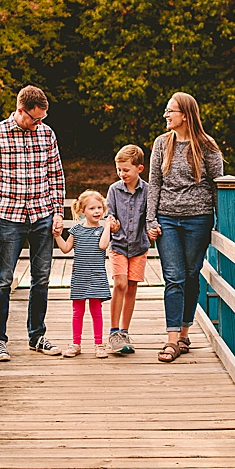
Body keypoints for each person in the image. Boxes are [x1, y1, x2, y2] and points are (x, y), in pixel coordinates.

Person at [0, 85, 66, 362]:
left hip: (42, 214)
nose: (39, 123)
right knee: (3, 280)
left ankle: (37, 335)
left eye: (42, 119)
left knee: (41, 279)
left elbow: (56, 175)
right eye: (34, 119)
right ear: (20, 110)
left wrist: (58, 212)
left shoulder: (47, 134)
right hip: (9, 216)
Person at [146, 92, 224, 363]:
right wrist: (150, 219)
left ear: (186, 115)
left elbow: (218, 185)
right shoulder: (161, 143)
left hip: (198, 219)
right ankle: (171, 340)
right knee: (174, 277)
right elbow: (154, 183)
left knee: (191, 276)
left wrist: (221, 224)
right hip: (167, 218)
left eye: (171, 111)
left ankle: (184, 333)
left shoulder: (207, 145)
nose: (166, 115)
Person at [54, 190, 113, 358]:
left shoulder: (103, 230)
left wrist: (107, 226)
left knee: (96, 310)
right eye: (92, 208)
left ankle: (98, 344)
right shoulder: (76, 230)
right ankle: (76, 343)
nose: (97, 212)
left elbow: (103, 246)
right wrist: (58, 236)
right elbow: (65, 249)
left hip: (96, 275)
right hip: (80, 275)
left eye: (99, 208)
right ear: (82, 211)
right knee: (77, 311)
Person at [104, 144, 148, 356]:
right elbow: (108, 213)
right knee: (119, 283)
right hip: (119, 245)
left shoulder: (148, 190)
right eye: (119, 169)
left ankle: (124, 331)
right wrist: (110, 222)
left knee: (131, 287)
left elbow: (150, 217)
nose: (122, 174)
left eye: (126, 170)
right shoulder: (114, 190)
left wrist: (153, 229)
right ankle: (113, 332)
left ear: (139, 169)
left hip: (139, 247)